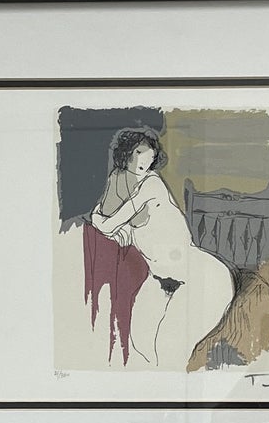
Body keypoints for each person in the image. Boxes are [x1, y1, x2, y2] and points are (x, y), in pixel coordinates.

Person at [89, 127, 235, 368]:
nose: (145, 157)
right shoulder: (123, 190)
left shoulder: (152, 185)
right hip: (160, 281)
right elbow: (121, 229)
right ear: (126, 155)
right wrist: (119, 230)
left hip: (203, 277)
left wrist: (97, 217)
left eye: (149, 153)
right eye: (139, 152)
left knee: (171, 352)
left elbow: (107, 224)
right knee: (140, 345)